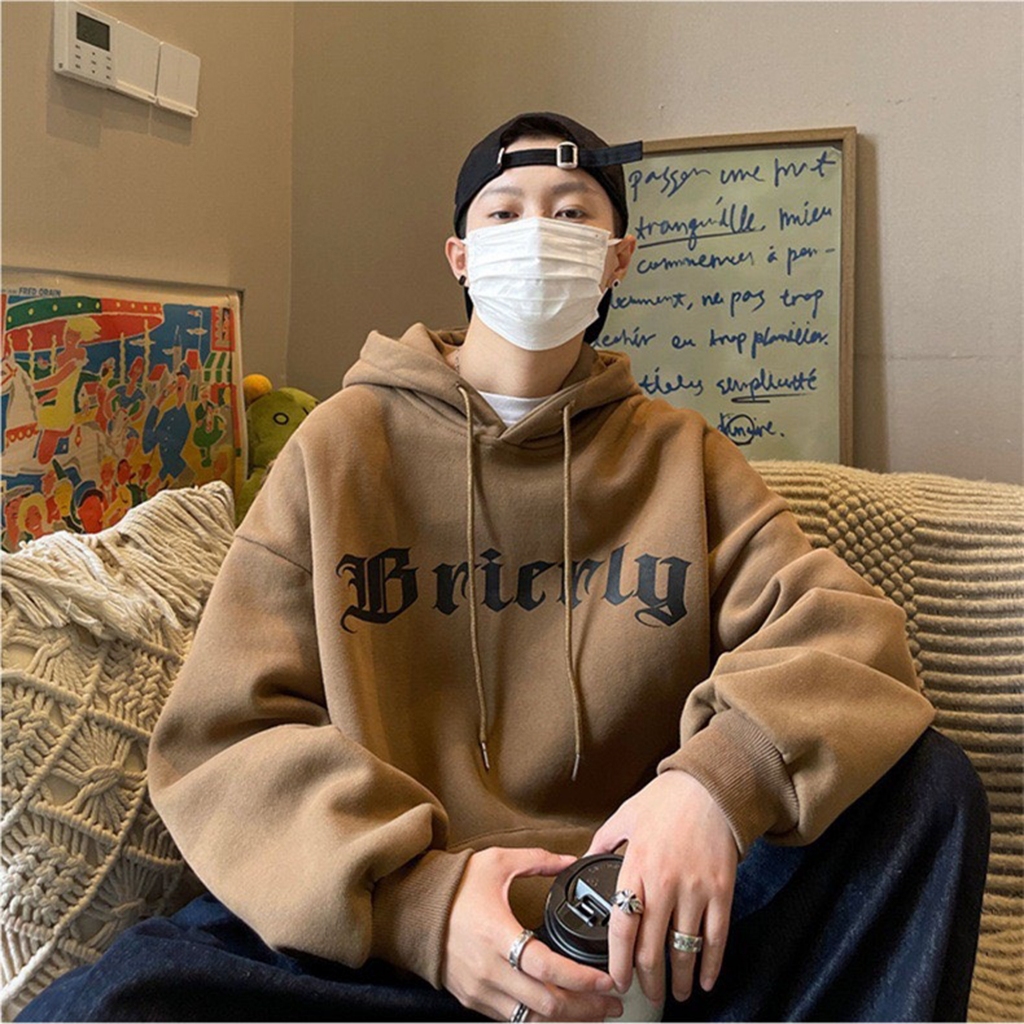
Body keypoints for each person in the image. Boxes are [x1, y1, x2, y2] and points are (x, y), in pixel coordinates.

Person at [18, 112, 989, 1024]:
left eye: (571, 214)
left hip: (640, 928)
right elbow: (225, 735)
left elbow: (845, 633)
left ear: (617, 258)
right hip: (397, 936)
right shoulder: (341, 445)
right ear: (460, 255)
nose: (538, 234)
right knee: (107, 1002)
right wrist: (421, 906)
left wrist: (712, 787)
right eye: (506, 212)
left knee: (926, 793)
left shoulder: (681, 456)